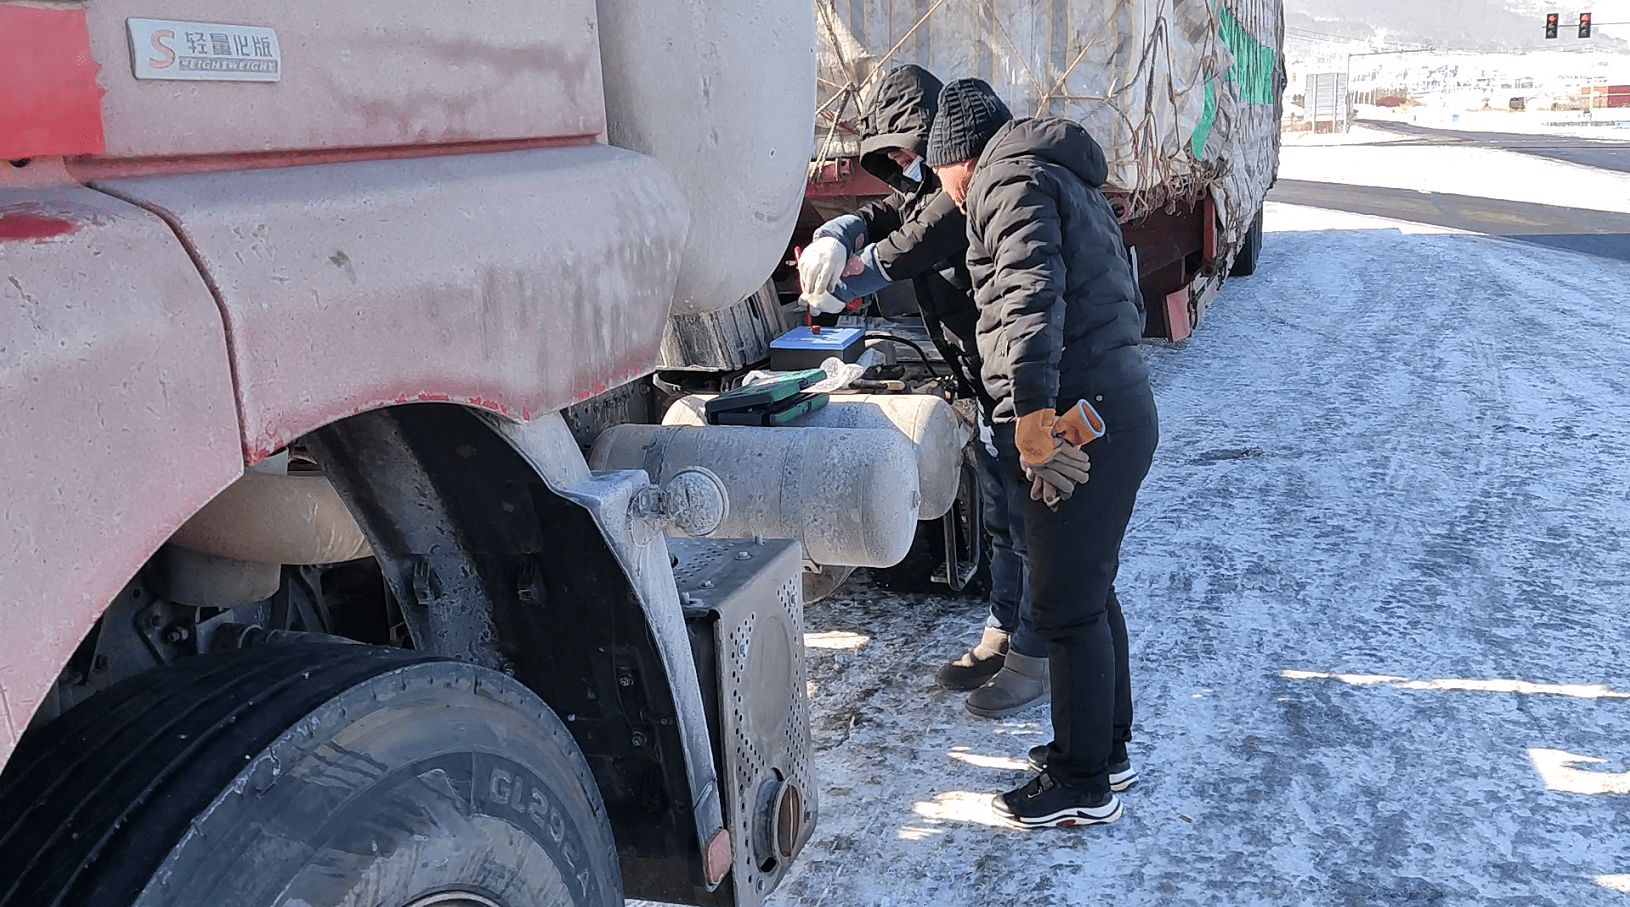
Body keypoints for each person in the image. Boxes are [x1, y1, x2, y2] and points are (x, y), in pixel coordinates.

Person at [924, 77, 1159, 828]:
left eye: (941, 177)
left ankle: (1081, 778)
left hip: (1070, 427)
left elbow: (1028, 295)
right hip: (1114, 408)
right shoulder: (1057, 171)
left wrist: (1031, 415)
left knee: (1061, 601)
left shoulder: (1006, 182)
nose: (947, 195)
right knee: (1090, 589)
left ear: (961, 157)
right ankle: (1107, 748)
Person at [797, 65, 1049, 718]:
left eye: (912, 149)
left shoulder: (966, 193)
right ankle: (1004, 626)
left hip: (1015, 381)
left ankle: (1033, 651)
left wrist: (847, 278)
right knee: (999, 510)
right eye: (894, 157)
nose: (906, 165)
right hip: (979, 379)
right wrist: (839, 230)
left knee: (1029, 519)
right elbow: (890, 213)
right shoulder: (922, 186)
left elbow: (909, 242)